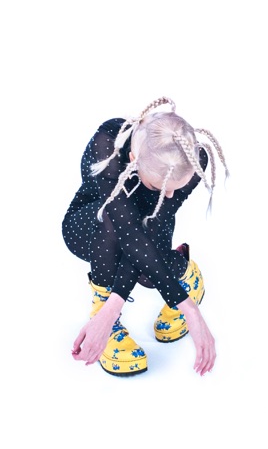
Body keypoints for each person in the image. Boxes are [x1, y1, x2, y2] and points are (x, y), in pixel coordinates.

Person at [62, 96, 229, 377]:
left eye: (176, 187)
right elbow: (127, 232)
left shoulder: (192, 156)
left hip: (147, 229)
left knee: (150, 270)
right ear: (133, 160)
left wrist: (187, 306)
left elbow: (149, 230)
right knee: (114, 222)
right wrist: (109, 311)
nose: (170, 195)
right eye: (159, 187)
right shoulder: (109, 142)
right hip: (91, 224)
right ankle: (101, 309)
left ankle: (185, 273)